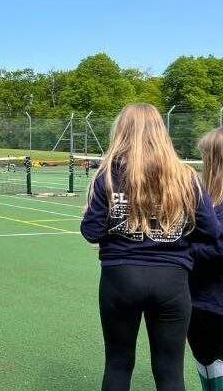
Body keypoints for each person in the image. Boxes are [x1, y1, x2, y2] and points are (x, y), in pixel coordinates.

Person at [80, 104, 223, 391]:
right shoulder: (185, 176)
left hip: (120, 278)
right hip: (172, 281)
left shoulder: (107, 174)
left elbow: (91, 232)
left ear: (120, 131)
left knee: (118, 364)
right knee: (170, 370)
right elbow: (212, 231)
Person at [189, 128, 223, 390]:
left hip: (212, 304)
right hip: (201, 302)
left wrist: (176, 250)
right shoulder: (205, 202)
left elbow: (218, 250)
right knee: (207, 366)